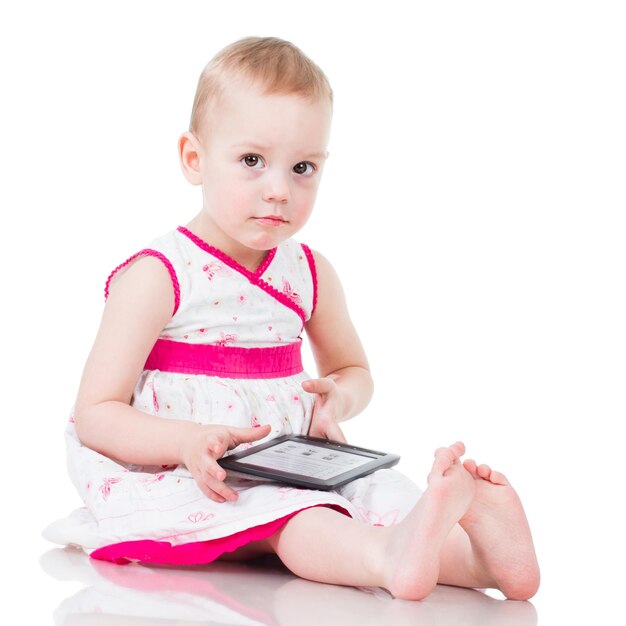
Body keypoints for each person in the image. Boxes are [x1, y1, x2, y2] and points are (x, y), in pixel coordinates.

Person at [43, 36, 540, 601]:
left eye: (303, 167)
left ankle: (477, 560)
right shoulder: (159, 275)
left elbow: (353, 368)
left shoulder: (308, 271)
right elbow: (96, 414)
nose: (279, 190)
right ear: (194, 159)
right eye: (252, 161)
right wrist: (184, 442)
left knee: (378, 492)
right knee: (294, 518)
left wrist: (338, 398)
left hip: (293, 457)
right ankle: (386, 558)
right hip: (187, 471)